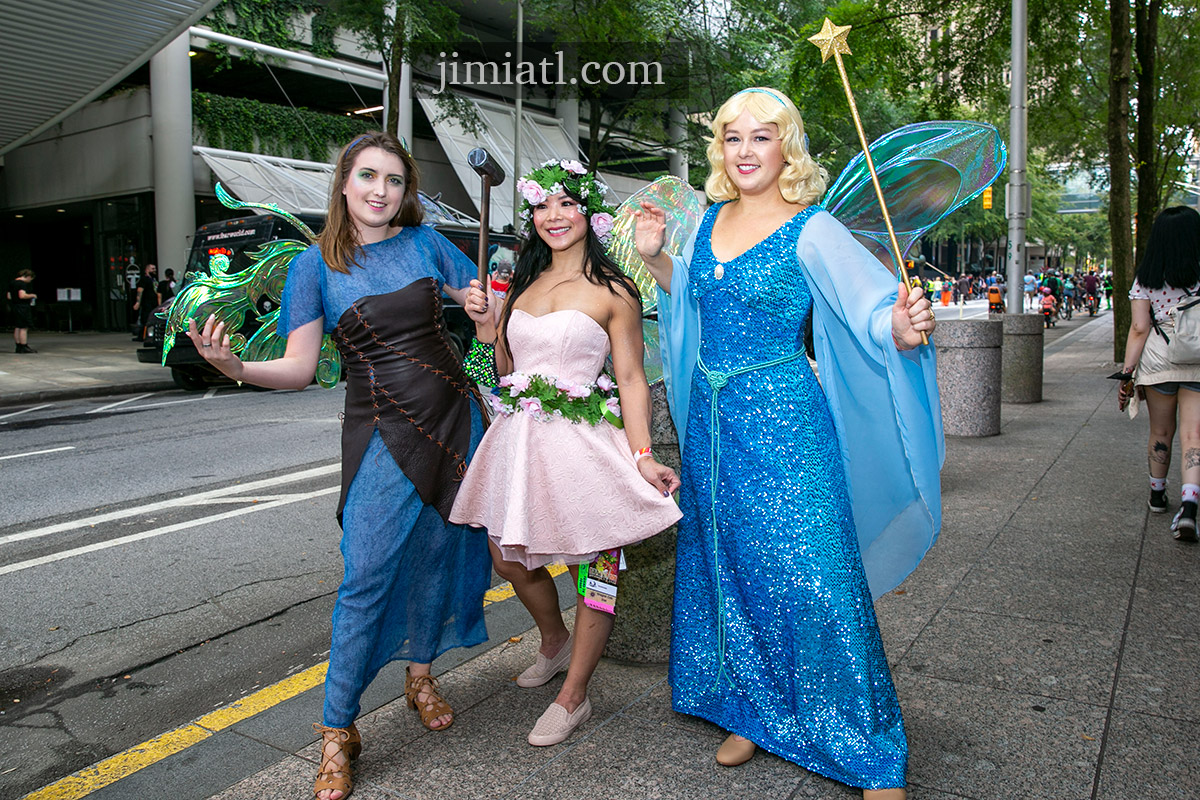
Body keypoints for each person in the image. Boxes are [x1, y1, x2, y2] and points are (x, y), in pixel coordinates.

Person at [634, 88, 941, 800]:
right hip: (713, 428)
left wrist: (898, 327)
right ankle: (755, 709)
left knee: (817, 576)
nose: (744, 150)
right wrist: (657, 262)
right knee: (732, 568)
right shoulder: (707, 219)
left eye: (761, 137)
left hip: (788, 421)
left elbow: (869, 307)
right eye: (732, 137)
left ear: (787, 147)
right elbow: (698, 300)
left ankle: (869, 751)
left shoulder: (814, 228)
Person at [187, 131, 494, 800]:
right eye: (368, 177)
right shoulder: (314, 266)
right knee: (367, 573)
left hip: (455, 421)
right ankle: (336, 730)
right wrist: (236, 367)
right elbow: (299, 369)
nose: (381, 190)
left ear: (406, 191)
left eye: (394, 179)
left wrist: (482, 307)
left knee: (440, 550)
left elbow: (482, 308)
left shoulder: (426, 243)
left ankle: (420, 674)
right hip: (381, 430)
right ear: (345, 185)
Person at [450, 159, 682, 747]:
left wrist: (642, 455)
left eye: (566, 204)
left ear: (589, 213)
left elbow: (630, 379)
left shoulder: (614, 292)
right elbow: (494, 376)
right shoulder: (520, 288)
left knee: (596, 573)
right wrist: (482, 333)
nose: (553, 216)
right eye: (541, 206)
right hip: (520, 444)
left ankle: (573, 695)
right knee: (507, 559)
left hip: (587, 448)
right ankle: (554, 640)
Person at [1118, 206, 1200, 539]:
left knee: (1160, 431)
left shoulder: (1147, 275)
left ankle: (1156, 494)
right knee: (1194, 435)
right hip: (1197, 357)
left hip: (1159, 359)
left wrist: (1127, 374)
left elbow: (1139, 328)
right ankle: (1190, 505)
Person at [8, 268, 37, 353]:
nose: (30, 281)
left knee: (17, 327)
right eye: (30, 279)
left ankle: (18, 346)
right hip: (22, 307)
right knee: (24, 327)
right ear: (28, 276)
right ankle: (24, 346)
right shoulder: (22, 284)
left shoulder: (12, 283)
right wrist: (32, 295)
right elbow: (22, 295)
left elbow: (9, 296)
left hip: (14, 306)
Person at [133, 263, 159, 341]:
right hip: (147, 303)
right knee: (145, 319)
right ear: (147, 270)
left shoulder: (153, 279)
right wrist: (138, 302)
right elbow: (140, 291)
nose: (154, 270)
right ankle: (142, 335)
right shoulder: (144, 279)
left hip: (153, 303)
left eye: (154, 268)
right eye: (152, 269)